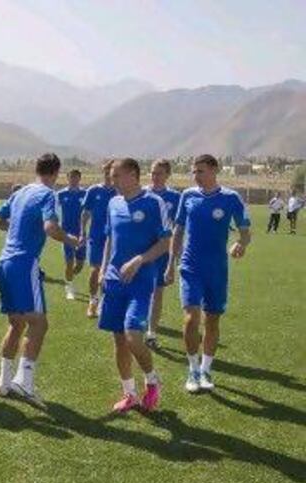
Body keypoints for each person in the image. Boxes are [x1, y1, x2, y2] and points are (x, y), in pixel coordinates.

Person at [0, 153, 80, 403]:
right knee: (39, 324)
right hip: (23, 264)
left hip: (4, 263)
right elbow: (51, 228)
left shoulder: (21, 192)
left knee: (17, 324)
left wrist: (19, 228)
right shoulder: (47, 194)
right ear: (56, 172)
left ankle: (4, 383)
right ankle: (25, 384)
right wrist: (71, 239)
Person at [165, 154, 251, 393]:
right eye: (194, 172)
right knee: (191, 319)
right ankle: (192, 370)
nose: (196, 176)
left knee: (212, 320)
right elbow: (178, 231)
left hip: (217, 269)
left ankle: (205, 370)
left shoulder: (231, 198)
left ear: (214, 170)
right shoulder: (188, 196)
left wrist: (241, 243)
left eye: (200, 171)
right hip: (190, 267)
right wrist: (170, 263)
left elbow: (245, 231)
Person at [99, 158, 170, 412]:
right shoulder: (113, 202)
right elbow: (110, 238)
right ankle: (129, 394)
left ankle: (152, 381)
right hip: (113, 281)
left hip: (141, 281)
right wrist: (103, 270)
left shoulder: (154, 202)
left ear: (132, 175)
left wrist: (140, 260)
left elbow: (165, 243)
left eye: (116, 176)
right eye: (111, 176)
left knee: (132, 336)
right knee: (119, 341)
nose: (112, 181)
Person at [144, 159, 181, 346]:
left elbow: (177, 231)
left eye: (159, 173)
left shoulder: (175, 198)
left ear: (167, 175)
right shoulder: (141, 194)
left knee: (157, 293)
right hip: (139, 251)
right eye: (152, 172)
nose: (155, 176)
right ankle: (133, 327)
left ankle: (151, 333)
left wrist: (174, 262)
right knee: (138, 291)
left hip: (161, 253)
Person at [80, 160, 117, 318]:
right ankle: (92, 300)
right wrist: (82, 232)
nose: (108, 174)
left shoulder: (120, 192)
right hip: (96, 236)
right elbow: (85, 213)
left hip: (116, 238)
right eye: (106, 171)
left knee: (110, 271)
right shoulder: (94, 190)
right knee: (95, 269)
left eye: (112, 171)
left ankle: (103, 301)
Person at [57, 169, 87, 300]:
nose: (73, 180)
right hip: (66, 234)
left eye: (76, 177)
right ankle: (69, 287)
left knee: (79, 265)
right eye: (71, 177)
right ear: (67, 178)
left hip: (81, 233)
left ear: (79, 179)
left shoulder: (85, 194)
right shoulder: (61, 194)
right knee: (69, 262)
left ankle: (69, 277)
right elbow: (52, 210)